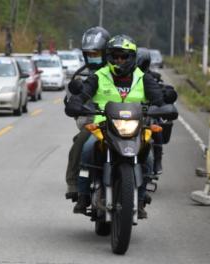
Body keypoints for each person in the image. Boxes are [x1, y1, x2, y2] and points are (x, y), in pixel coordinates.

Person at [66, 35, 165, 219]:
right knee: (85, 146)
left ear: (132, 57)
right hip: (101, 124)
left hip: (136, 126)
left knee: (149, 157)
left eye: (124, 56)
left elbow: (158, 97)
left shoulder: (143, 78)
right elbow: (83, 93)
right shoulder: (99, 76)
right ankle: (82, 193)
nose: (119, 60)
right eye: (115, 56)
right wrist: (76, 102)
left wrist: (165, 102)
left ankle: (141, 199)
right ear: (108, 57)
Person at [64, 26, 110, 207]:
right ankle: (75, 186)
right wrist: (74, 105)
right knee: (80, 145)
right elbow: (71, 97)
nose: (93, 57)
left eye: (96, 53)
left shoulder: (116, 72)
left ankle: (141, 187)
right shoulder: (80, 75)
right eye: (89, 54)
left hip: (121, 119)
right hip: (93, 121)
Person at [136, 48, 178, 175]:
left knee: (156, 129)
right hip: (131, 112)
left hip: (149, 112)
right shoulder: (129, 78)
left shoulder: (151, 77)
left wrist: (164, 92)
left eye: (141, 63)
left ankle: (157, 161)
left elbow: (163, 91)